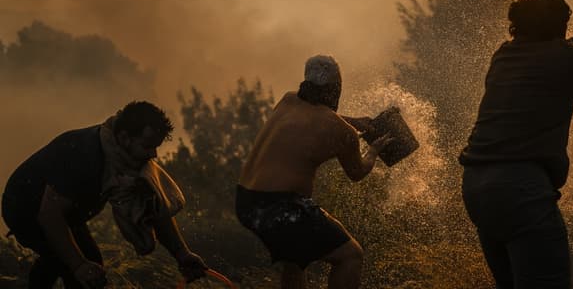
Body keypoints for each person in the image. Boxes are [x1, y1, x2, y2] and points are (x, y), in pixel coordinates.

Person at [460, 0, 573, 288]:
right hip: (522, 190)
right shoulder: (570, 58)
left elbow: (569, 51)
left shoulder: (503, 55)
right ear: (558, 25)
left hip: (477, 188)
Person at [2, 101, 207, 289]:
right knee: (82, 268)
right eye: (147, 146)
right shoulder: (85, 155)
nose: (153, 154)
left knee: (74, 261)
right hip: (25, 209)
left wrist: (182, 254)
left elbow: (153, 207)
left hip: (67, 214)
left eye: (156, 146)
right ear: (125, 138)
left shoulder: (128, 161)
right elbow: (49, 215)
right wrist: (79, 265)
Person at [236, 55, 391, 289]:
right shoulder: (342, 131)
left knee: (295, 260)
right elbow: (357, 172)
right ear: (336, 90)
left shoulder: (287, 101)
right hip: (281, 209)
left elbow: (315, 117)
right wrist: (373, 150)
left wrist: (354, 122)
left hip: (246, 202)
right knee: (351, 256)